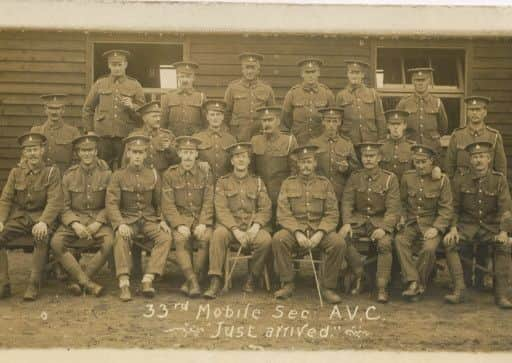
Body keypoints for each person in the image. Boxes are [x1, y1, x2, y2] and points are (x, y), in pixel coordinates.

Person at [272, 145, 345, 304]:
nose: (305, 165)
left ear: (315, 163)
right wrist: (297, 232)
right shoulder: (288, 183)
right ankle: (288, 283)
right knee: (278, 239)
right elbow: (283, 213)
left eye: (309, 161)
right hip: (294, 231)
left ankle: (327, 287)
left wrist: (320, 233)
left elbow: (332, 213)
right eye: (302, 162)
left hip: (319, 230)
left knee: (338, 243)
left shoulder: (324, 184)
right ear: (297, 164)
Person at [444, 141, 512, 309]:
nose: (478, 161)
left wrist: (503, 231)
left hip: (490, 227)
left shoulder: (499, 180)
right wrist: (453, 228)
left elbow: (505, 210)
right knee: (449, 242)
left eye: (482, 157)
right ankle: (460, 289)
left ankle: (501, 294)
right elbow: (454, 208)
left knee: (503, 245)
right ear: (470, 160)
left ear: (489, 159)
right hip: (467, 227)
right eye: (474, 157)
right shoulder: (461, 180)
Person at [106, 134, 172, 302]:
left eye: (140, 152)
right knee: (121, 237)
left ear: (145, 155)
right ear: (128, 154)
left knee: (165, 238)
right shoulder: (118, 176)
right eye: (134, 152)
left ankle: (148, 279)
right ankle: (124, 282)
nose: (137, 156)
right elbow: (112, 203)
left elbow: (160, 202)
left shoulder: (153, 175)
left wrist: (162, 219)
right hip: (128, 219)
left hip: (149, 220)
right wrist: (119, 223)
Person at [203, 142, 273, 299]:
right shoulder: (222, 182)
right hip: (230, 228)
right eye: (236, 157)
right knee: (218, 234)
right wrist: (235, 230)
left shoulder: (258, 182)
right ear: (231, 161)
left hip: (251, 228)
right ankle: (215, 280)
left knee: (265, 240)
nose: (240, 160)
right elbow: (221, 209)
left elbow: (265, 208)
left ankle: (252, 277)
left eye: (244, 157)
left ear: (249, 160)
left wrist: (255, 227)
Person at [0, 133, 63, 300]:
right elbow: (6, 198)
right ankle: (3, 283)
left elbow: (55, 201)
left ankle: (34, 284)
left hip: (42, 218)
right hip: (21, 218)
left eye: (35, 149)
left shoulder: (51, 172)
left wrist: (44, 221)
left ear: (42, 150)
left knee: (41, 236)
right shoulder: (16, 173)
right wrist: (0, 220)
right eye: (28, 150)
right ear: (24, 153)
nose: (32, 154)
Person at [49, 133, 113, 297]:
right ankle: (86, 282)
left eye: (90, 150)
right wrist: (75, 224)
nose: (87, 154)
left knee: (110, 242)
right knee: (56, 242)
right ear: (78, 153)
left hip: (98, 221)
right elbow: (63, 206)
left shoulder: (107, 174)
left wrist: (98, 223)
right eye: (83, 151)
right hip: (75, 220)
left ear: (96, 152)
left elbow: (111, 204)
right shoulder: (69, 175)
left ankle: (78, 281)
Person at [340, 142, 401, 303]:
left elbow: (393, 209)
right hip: (358, 221)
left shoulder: (389, 179)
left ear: (379, 158)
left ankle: (382, 287)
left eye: (372, 156)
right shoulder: (355, 177)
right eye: (365, 156)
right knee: (340, 239)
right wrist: (346, 223)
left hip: (379, 221)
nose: (368, 160)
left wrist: (385, 228)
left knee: (385, 244)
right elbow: (347, 202)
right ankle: (361, 275)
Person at [394, 144, 454, 299]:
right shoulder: (407, 177)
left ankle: (417, 284)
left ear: (432, 161)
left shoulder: (442, 180)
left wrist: (437, 228)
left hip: (431, 224)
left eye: (423, 162)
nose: (420, 166)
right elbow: (401, 202)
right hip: (412, 223)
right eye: (416, 162)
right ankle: (414, 281)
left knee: (428, 248)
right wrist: (401, 217)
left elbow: (446, 209)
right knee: (400, 240)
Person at [161, 136, 214, 298]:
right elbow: (168, 205)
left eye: (192, 152)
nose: (188, 156)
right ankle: (194, 281)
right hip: (181, 218)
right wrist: (178, 225)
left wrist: (204, 223)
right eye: (185, 152)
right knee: (180, 239)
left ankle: (190, 281)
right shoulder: (170, 175)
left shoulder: (205, 173)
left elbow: (208, 201)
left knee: (205, 238)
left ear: (197, 154)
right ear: (179, 154)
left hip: (200, 219)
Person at [82, 49, 145, 169]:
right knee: (102, 168)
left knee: (125, 168)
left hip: (125, 135)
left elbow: (143, 113)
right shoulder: (100, 84)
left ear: (125, 64)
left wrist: (132, 106)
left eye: (119, 65)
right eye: (113, 65)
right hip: (103, 136)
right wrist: (90, 130)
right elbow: (88, 109)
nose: (116, 68)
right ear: (109, 65)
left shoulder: (135, 85)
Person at [250, 106, 298, 213]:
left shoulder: (289, 141)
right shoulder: (255, 141)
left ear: (278, 121)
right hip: (260, 193)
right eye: (264, 120)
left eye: (270, 120)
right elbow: (251, 170)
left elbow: (295, 171)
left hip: (282, 193)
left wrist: (288, 192)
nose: (267, 124)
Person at [445, 96, 507, 178]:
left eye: (478, 110)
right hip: (462, 187)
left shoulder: (494, 136)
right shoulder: (457, 135)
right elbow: (449, 167)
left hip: (486, 187)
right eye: (471, 110)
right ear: (467, 112)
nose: (474, 113)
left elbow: (501, 170)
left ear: (485, 112)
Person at [310, 106, 360, 200]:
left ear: (340, 122)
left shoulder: (347, 144)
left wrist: (347, 168)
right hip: (318, 193)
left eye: (335, 121)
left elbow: (356, 171)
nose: (331, 125)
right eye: (328, 121)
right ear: (323, 122)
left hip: (340, 194)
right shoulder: (314, 144)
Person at [282, 58, 335, 145]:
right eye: (307, 72)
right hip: (299, 143)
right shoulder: (292, 94)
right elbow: (285, 123)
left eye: (313, 72)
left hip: (320, 143)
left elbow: (333, 120)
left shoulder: (327, 94)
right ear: (302, 74)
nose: (310, 75)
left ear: (318, 73)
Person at [224, 53, 275, 141]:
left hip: (260, 134)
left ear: (258, 70)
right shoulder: (233, 88)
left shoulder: (266, 89)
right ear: (242, 70)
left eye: (253, 68)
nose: (250, 71)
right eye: (247, 68)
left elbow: (272, 113)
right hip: (238, 134)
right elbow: (226, 112)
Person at [396, 68, 449, 154]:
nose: (420, 83)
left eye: (423, 80)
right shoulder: (404, 102)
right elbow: (397, 125)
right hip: (411, 149)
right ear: (413, 81)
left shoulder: (437, 102)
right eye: (417, 80)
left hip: (432, 149)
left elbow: (443, 128)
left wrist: (432, 138)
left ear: (429, 81)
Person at [335, 60, 386, 144]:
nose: (354, 76)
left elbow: (380, 119)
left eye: (357, 73)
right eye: (352, 73)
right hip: (349, 142)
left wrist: (382, 140)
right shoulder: (341, 95)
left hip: (370, 141)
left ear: (362, 75)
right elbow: (337, 121)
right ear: (347, 74)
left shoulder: (373, 94)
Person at [121, 101, 179, 174]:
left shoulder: (168, 135)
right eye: (154, 116)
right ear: (145, 119)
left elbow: (177, 162)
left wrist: (169, 149)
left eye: (159, 116)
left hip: (162, 176)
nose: (158, 119)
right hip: (142, 176)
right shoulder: (134, 136)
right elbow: (125, 162)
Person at [31, 93, 81, 173]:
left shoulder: (73, 132)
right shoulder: (36, 132)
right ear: (45, 109)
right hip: (41, 180)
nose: (54, 112)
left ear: (63, 110)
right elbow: (26, 160)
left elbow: (81, 159)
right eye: (51, 108)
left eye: (57, 108)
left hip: (64, 179)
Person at [193, 100, 237, 180]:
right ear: (207, 117)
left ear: (223, 117)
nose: (215, 118)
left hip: (225, 184)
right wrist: (198, 163)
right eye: (212, 115)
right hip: (204, 182)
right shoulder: (198, 138)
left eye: (218, 114)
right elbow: (189, 159)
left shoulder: (231, 139)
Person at [161, 62, 207, 137]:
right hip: (173, 139)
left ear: (193, 78)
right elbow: (163, 123)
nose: (185, 80)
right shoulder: (168, 96)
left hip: (194, 140)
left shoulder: (200, 96)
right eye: (182, 76)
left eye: (188, 77)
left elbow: (206, 123)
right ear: (177, 77)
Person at [379, 109, 415, 182]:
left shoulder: (412, 147)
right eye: (392, 124)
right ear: (388, 126)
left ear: (404, 125)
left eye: (398, 124)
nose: (395, 127)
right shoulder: (381, 146)